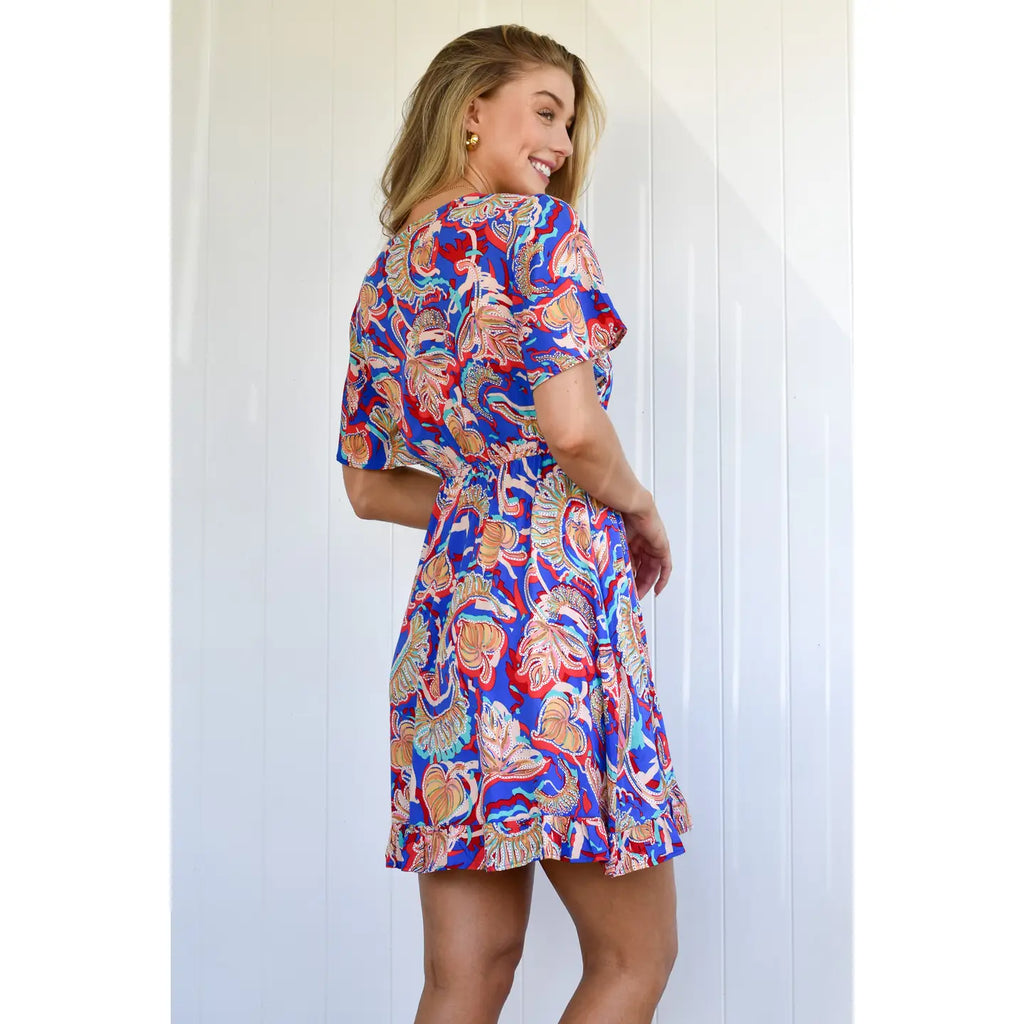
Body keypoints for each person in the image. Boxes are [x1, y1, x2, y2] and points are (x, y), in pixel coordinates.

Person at [336, 24, 693, 1024]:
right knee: (634, 956)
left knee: (465, 978)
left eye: (569, 125)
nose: (561, 144)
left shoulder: (387, 278)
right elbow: (572, 430)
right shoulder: (535, 232)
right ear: (469, 112)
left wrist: (489, 496)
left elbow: (370, 487)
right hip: (555, 630)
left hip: (449, 639)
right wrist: (638, 505)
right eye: (544, 111)